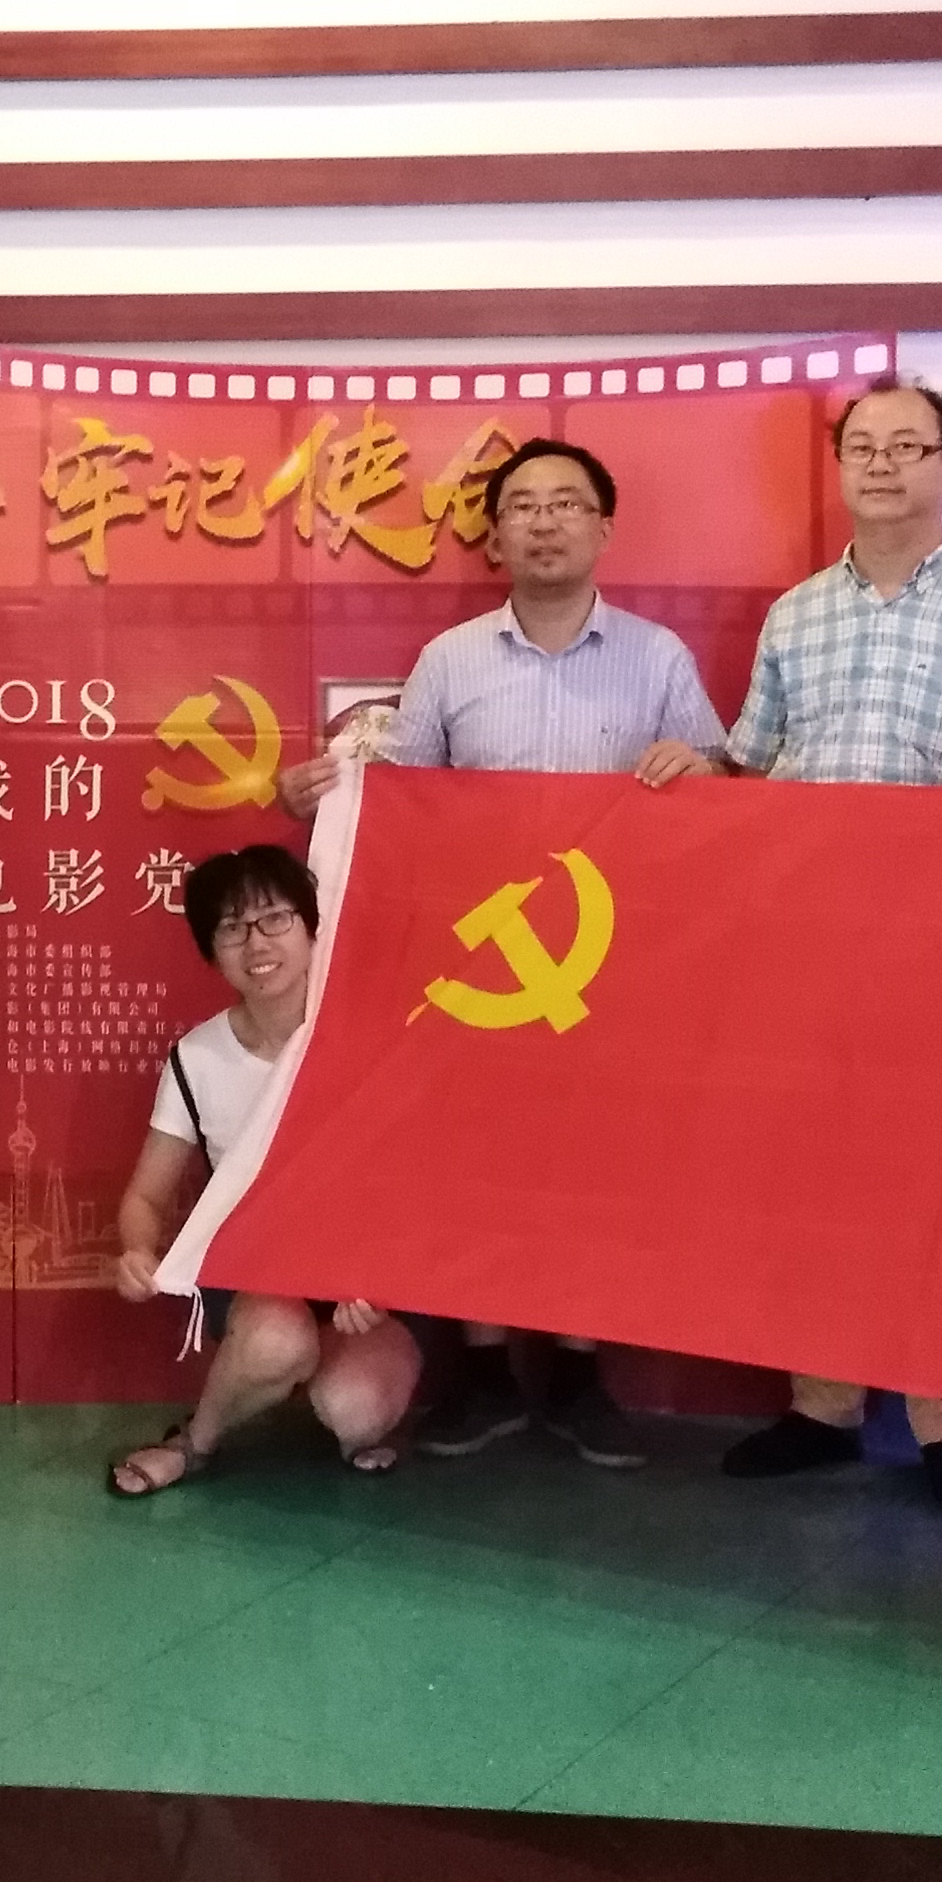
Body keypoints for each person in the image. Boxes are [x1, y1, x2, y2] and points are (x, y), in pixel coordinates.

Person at [276, 433, 720, 1469]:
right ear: (496, 534)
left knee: (596, 1166)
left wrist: (702, 767)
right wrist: (316, 794)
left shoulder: (658, 657)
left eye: (567, 503)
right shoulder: (451, 660)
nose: (545, 521)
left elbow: (723, 785)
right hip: (480, 969)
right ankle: (478, 1369)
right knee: (475, 1162)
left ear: (604, 527)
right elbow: (398, 801)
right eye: (523, 505)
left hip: (613, 963)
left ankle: (577, 1371)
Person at [649, 378, 942, 1512]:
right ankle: (821, 1404)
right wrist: (697, 768)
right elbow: (754, 759)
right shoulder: (795, 614)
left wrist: (931, 853)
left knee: (935, 1178)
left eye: (907, 445)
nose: (881, 463)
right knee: (809, 1173)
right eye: (862, 446)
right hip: (805, 944)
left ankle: (939, 1418)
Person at [106, 846, 421, 1496]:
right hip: (258, 1276)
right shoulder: (198, 1057)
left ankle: (336, 1382)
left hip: (367, 1286)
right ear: (211, 950)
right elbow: (145, 1197)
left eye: (276, 918)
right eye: (232, 928)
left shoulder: (372, 1040)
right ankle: (195, 1441)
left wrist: (381, 1276)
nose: (257, 943)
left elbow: (422, 1189)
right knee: (278, 1341)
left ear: (311, 927)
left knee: (357, 1410)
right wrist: (137, 1250)